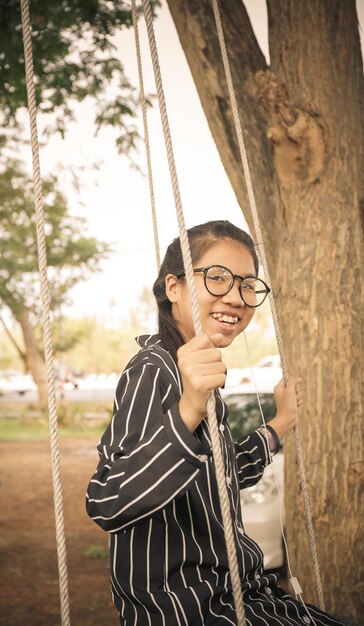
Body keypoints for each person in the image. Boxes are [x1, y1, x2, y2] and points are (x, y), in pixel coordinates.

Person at [86, 220, 346, 626]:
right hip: (192, 608)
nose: (237, 297)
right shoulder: (156, 370)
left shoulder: (197, 371)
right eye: (218, 278)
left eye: (247, 285)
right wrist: (188, 408)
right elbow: (107, 500)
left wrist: (278, 424)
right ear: (174, 287)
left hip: (244, 592)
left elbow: (220, 472)